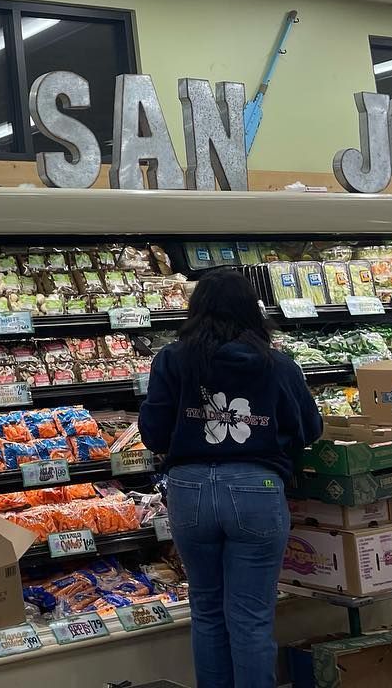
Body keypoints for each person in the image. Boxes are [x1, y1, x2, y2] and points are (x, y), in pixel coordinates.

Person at [138, 269, 322, 688]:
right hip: (255, 487)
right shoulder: (277, 365)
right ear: (252, 311)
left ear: (195, 309)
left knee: (206, 611)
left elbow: (152, 432)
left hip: (188, 489)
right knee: (251, 618)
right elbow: (310, 427)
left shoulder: (171, 359)